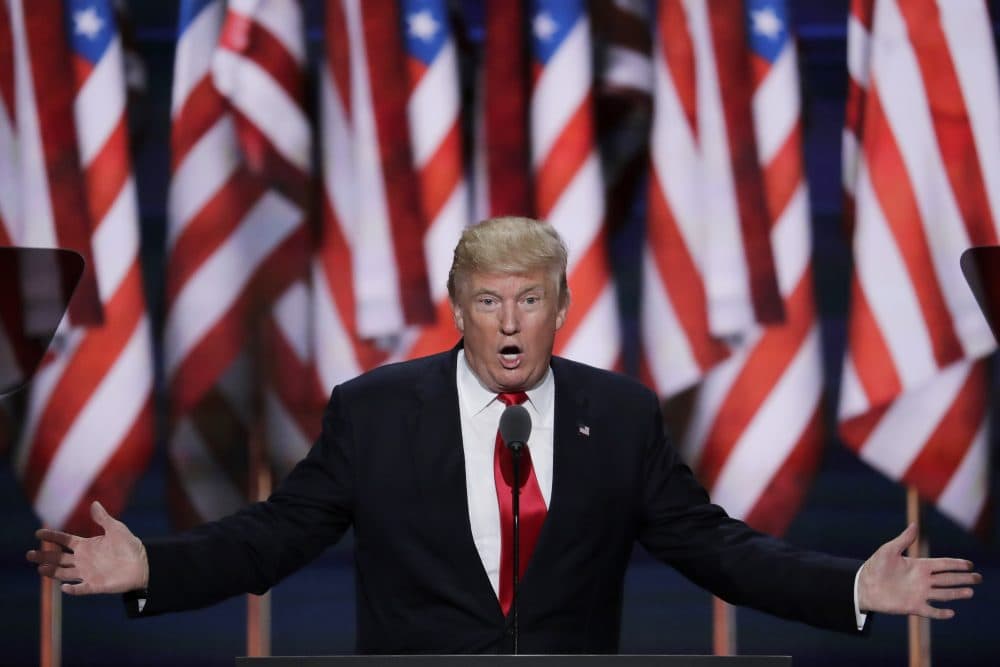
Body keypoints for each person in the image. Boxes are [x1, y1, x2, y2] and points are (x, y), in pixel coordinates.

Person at [28, 216, 981, 654]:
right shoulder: (376, 408)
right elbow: (275, 534)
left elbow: (716, 548)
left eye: (530, 299)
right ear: (457, 309)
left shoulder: (622, 415)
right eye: (488, 301)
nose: (511, 322)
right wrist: (151, 566)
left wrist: (854, 584)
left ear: (562, 307)